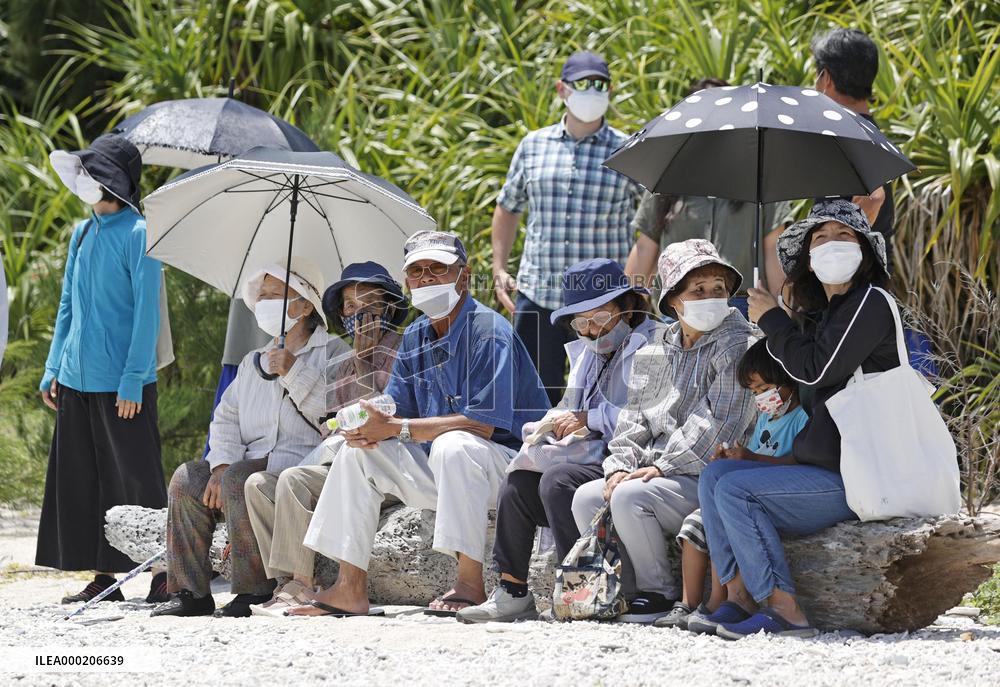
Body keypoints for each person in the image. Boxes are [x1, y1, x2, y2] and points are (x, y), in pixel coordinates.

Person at [288, 230, 550, 618]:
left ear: (463, 276)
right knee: (357, 452)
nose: (426, 278)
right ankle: (349, 587)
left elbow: (483, 425)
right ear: (407, 281)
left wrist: (396, 428)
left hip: (508, 470)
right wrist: (367, 421)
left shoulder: (488, 330)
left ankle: (469, 583)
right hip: (446, 470)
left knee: (455, 443)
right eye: (417, 271)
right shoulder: (415, 335)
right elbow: (398, 409)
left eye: (437, 269)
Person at [698, 199, 897, 639]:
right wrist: (769, 322)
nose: (831, 245)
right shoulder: (824, 317)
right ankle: (738, 596)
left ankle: (785, 609)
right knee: (716, 475)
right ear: (807, 258)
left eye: (844, 235)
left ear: (866, 249)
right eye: (820, 238)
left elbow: (817, 369)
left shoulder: (870, 303)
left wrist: (771, 317)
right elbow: (794, 366)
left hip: (860, 480)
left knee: (734, 489)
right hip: (820, 469)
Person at [457, 259, 657, 623]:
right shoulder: (588, 353)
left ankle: (582, 589)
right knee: (518, 483)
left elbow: (653, 415)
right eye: (582, 323)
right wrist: (547, 427)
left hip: (635, 459)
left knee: (557, 480)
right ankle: (512, 590)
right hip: (593, 455)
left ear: (627, 307)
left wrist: (588, 419)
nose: (593, 331)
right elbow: (571, 407)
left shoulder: (653, 345)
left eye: (601, 317)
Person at [571, 239, 756, 624]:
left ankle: (659, 592)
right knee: (588, 497)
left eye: (718, 289)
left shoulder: (740, 343)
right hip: (660, 474)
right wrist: (618, 467)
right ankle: (622, 591)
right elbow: (632, 421)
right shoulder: (657, 346)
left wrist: (661, 467)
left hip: (707, 474)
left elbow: (719, 423)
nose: (711, 297)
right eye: (698, 290)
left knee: (630, 498)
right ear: (673, 301)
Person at [151, 258, 342, 618]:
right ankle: (191, 591)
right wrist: (220, 466)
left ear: (303, 305)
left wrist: (294, 371)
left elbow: (333, 415)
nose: (265, 302)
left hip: (299, 462)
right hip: (244, 460)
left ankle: (253, 589)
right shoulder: (253, 360)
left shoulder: (334, 354)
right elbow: (225, 420)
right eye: (263, 295)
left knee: (242, 478)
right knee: (187, 479)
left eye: (276, 294)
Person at [37, 133, 167, 604]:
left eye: (93, 174)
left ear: (113, 181)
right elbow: (68, 304)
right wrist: (53, 367)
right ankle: (105, 576)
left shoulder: (141, 233)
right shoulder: (83, 231)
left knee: (138, 479)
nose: (83, 182)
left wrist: (133, 378)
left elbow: (145, 315)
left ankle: (163, 573)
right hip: (75, 378)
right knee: (87, 478)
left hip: (123, 383)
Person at [243, 261, 408, 616]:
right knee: (257, 484)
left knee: (295, 480)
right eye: (350, 306)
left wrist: (365, 360)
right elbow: (330, 424)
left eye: (369, 304)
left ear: (389, 308)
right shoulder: (340, 365)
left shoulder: (403, 350)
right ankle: (285, 581)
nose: (359, 313)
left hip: (384, 467)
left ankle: (301, 586)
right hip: (340, 463)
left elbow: (380, 414)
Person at [492, 51, 643, 404]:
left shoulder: (627, 150)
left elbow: (654, 222)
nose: (592, 91)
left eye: (599, 84)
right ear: (562, 89)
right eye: (582, 84)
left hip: (603, 301)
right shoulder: (533, 145)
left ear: (610, 90)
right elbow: (508, 208)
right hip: (539, 293)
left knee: (604, 399)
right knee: (532, 398)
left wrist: (637, 284)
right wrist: (499, 268)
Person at [658, 338, 808, 631]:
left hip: (770, 495)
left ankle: (728, 600)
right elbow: (754, 455)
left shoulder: (801, 417)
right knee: (698, 522)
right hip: (747, 491)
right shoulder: (766, 418)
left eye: (765, 389)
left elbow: (796, 463)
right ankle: (722, 598)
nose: (761, 399)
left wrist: (748, 458)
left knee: (727, 514)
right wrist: (733, 459)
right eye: (755, 392)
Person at [625, 78, 792, 312]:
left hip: (741, 308)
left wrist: (782, 318)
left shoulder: (760, 181)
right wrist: (627, 313)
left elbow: (774, 256)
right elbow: (644, 250)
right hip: (678, 308)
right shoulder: (666, 182)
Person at [764, 28, 895, 295]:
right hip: (858, 288)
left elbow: (873, 198)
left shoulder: (849, 136)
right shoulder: (868, 134)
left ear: (826, 78)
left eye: (816, 74)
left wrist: (838, 273)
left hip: (851, 290)